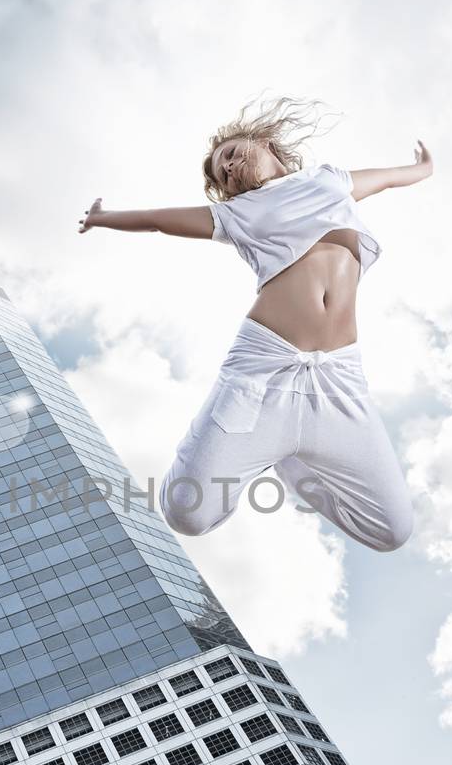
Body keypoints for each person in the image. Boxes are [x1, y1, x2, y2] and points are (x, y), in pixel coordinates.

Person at [77, 95, 432, 551]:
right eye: (221, 175)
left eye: (227, 155)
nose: (225, 169)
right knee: (187, 513)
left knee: (392, 532)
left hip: (338, 380)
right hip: (263, 370)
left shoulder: (329, 180)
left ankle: (294, 460)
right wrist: (103, 219)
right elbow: (157, 221)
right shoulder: (237, 215)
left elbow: (386, 180)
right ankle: (271, 446)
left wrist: (422, 167)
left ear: (263, 142)